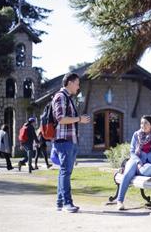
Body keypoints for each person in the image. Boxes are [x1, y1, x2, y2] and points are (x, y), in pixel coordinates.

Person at [52, 72, 90, 213]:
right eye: (77, 83)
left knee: (64, 172)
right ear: (69, 83)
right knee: (65, 172)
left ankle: (60, 203)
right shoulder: (61, 97)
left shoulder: (68, 98)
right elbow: (61, 119)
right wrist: (79, 119)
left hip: (70, 141)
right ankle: (67, 203)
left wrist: (78, 120)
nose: (79, 86)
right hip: (64, 141)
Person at [116, 115, 151, 210]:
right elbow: (132, 152)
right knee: (127, 174)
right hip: (136, 160)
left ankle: (136, 172)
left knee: (150, 170)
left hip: (150, 164)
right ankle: (119, 201)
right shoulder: (136, 134)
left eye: (146, 123)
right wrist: (138, 163)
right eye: (141, 123)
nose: (143, 125)